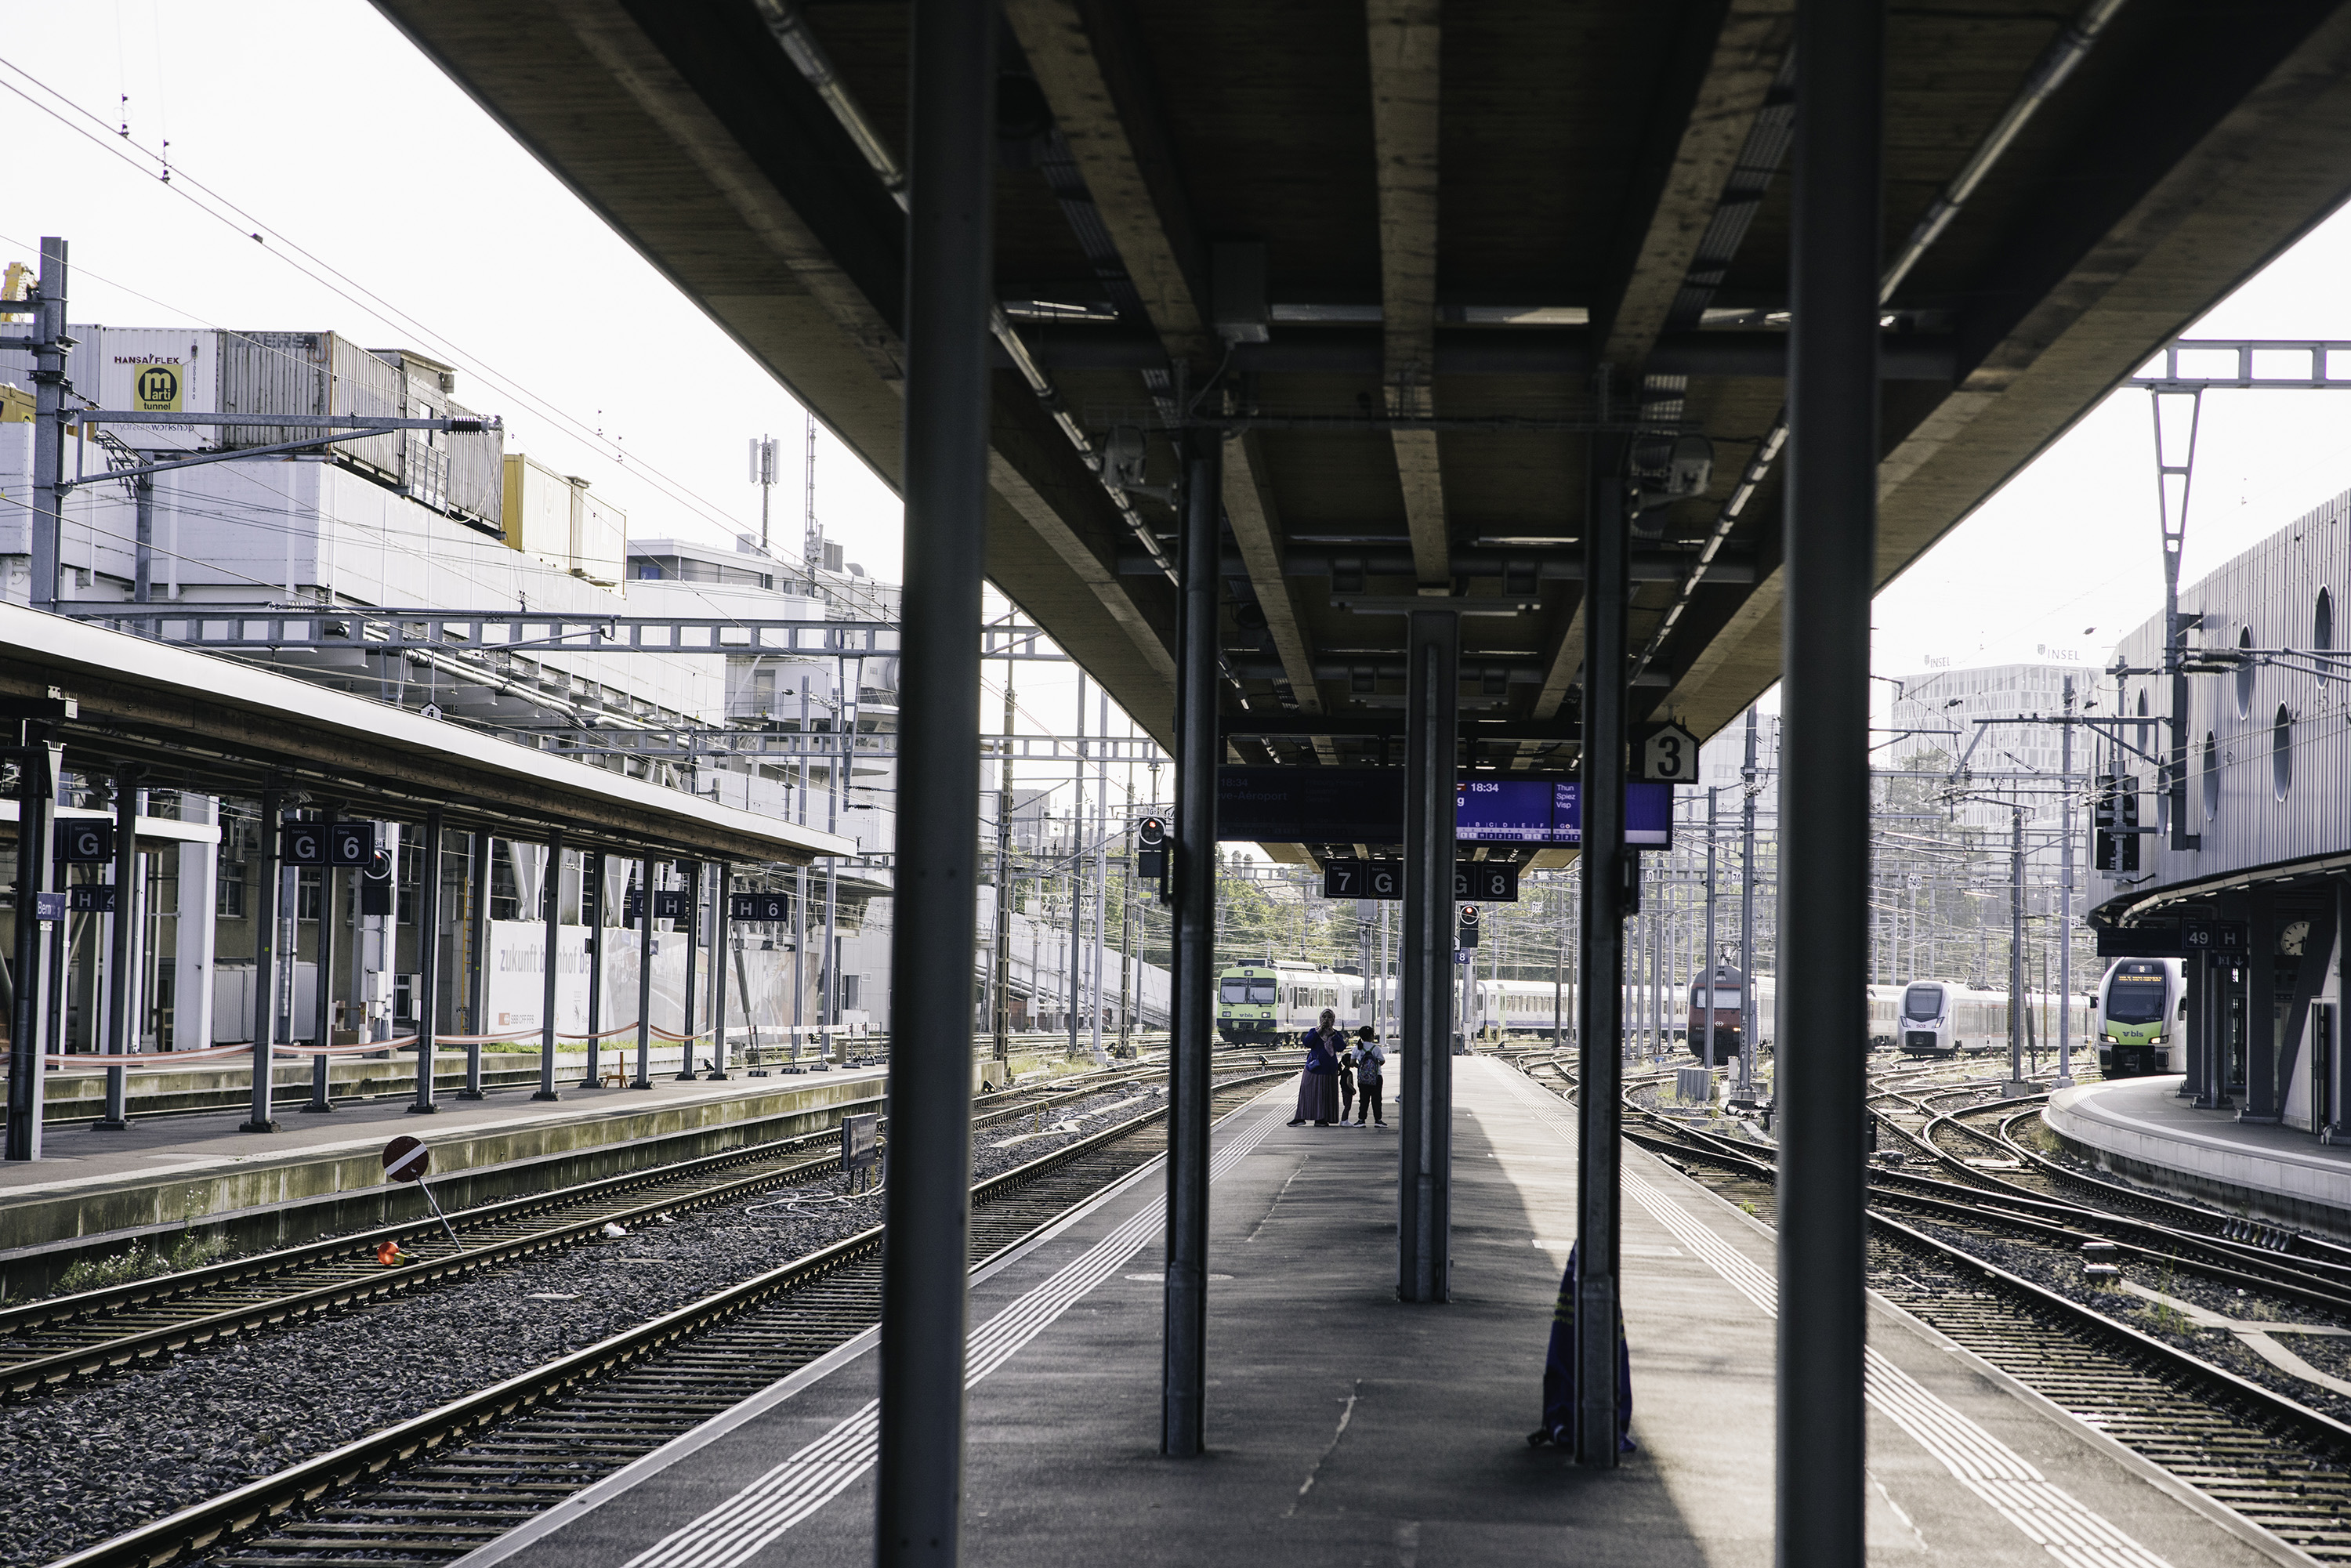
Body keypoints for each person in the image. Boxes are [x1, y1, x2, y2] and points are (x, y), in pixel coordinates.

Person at [1287, 1010, 1345, 1125]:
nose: (1326, 1020)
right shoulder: (1314, 1031)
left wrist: (1332, 1033)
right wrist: (1319, 1031)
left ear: (1333, 1020)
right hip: (1314, 1068)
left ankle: (1321, 1119)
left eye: (1329, 1017)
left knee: (1325, 1095)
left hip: (1329, 1070)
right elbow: (1307, 1042)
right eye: (1324, 1017)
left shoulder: (1335, 1034)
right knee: (1307, 1093)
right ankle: (1301, 1117)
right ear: (1320, 1018)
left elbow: (1341, 1047)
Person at [1350, 1026, 1386, 1127]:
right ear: (1371, 1036)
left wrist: (1361, 1068)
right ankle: (1378, 1120)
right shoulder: (1376, 1048)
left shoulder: (1357, 1048)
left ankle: (1361, 1120)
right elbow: (1382, 1061)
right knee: (1377, 1099)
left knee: (1364, 1099)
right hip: (1376, 1077)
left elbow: (1352, 1062)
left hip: (1363, 1079)